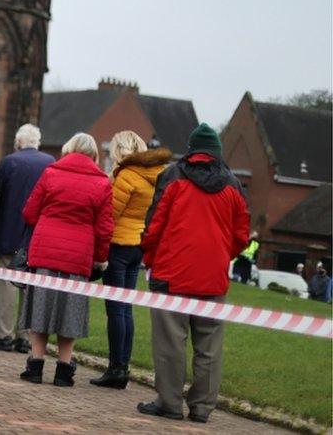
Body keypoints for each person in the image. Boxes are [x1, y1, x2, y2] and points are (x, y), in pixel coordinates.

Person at [136, 123, 249, 423]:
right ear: (217, 153)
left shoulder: (172, 176)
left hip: (171, 274)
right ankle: (201, 408)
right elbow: (241, 236)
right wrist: (222, 256)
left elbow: (154, 226)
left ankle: (169, 402)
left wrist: (150, 258)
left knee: (170, 342)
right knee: (209, 346)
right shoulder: (234, 186)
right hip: (213, 278)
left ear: (191, 149)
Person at [19, 132, 113, 387]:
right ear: (94, 154)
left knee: (40, 308)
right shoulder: (103, 183)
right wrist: (100, 260)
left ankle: (35, 365)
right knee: (69, 312)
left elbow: (29, 212)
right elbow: (104, 229)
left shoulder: (51, 173)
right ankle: (63, 370)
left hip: (46, 250)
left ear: (68, 149)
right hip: (78, 255)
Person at [90, 131, 171, 389]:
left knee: (115, 308)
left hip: (119, 245)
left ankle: (116, 369)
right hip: (138, 245)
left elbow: (110, 214)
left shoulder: (126, 176)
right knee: (126, 308)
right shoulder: (155, 175)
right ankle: (122, 366)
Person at [0, 123, 54, 354]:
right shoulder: (51, 165)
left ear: (18, 142)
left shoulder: (9, 162)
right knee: (31, 286)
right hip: (39, 234)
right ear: (38, 142)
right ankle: (25, 337)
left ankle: (2, 335)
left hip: (10, 231)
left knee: (7, 283)